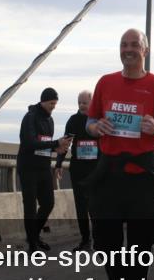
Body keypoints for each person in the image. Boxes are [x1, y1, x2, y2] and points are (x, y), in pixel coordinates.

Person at [86, 29, 154, 280]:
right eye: (124, 45)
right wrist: (95, 127)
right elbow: (90, 121)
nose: (128, 49)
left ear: (145, 50)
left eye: (134, 45)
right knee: (107, 239)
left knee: (140, 240)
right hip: (109, 170)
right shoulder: (105, 82)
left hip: (142, 171)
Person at [17, 88, 72, 253]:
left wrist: (58, 149)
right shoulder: (30, 117)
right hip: (28, 167)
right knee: (30, 206)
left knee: (48, 203)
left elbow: (45, 145)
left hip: (43, 167)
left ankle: (34, 235)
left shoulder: (50, 120)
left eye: (55, 104)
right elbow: (31, 143)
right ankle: (33, 245)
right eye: (51, 103)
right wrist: (55, 143)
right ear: (43, 101)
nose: (53, 107)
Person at [55, 90, 98, 251]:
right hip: (78, 168)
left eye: (84, 103)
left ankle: (98, 239)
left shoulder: (98, 121)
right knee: (81, 206)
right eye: (79, 102)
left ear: (91, 103)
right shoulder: (73, 120)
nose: (81, 105)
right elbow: (66, 143)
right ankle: (85, 240)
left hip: (96, 169)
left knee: (95, 206)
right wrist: (59, 163)